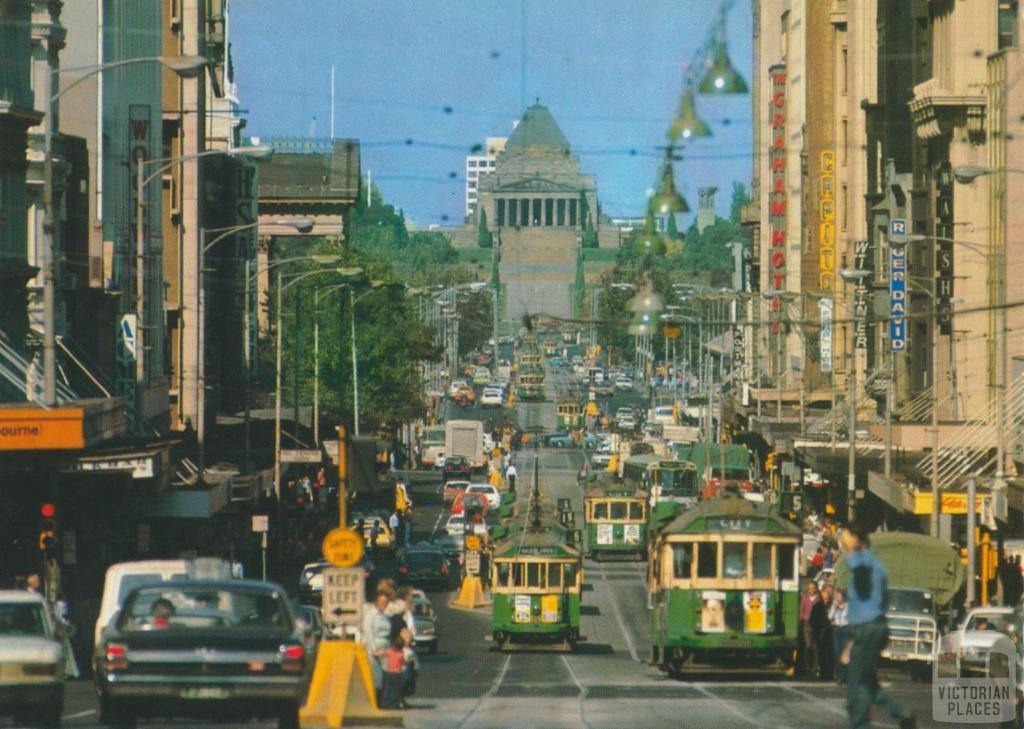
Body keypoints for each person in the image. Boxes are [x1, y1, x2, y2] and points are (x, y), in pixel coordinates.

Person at [840, 524, 916, 729]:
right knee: (867, 681)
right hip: (870, 628)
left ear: (859, 541)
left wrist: (851, 548)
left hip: (867, 628)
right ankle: (902, 713)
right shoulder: (876, 564)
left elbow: (856, 566)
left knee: (857, 686)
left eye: (846, 540)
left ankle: (861, 725)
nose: (843, 545)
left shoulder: (864, 561)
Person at [811, 584, 834, 680]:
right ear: (822, 592)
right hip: (820, 634)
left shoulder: (833, 606)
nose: (828, 594)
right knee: (821, 654)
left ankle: (830, 673)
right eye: (826, 592)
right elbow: (812, 620)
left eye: (830, 592)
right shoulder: (817, 606)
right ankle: (821, 673)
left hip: (832, 634)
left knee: (831, 654)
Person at [799, 581, 819, 676]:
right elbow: (801, 611)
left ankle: (815, 668)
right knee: (808, 646)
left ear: (816, 589)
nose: (811, 590)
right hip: (807, 624)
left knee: (815, 647)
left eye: (812, 588)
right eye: (809, 588)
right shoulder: (805, 599)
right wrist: (802, 619)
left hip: (816, 625)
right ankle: (807, 668)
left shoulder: (819, 600)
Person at [830, 588, 849, 685]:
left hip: (846, 630)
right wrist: (834, 607)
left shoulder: (849, 606)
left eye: (838, 596)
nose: (837, 598)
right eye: (836, 596)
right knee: (837, 653)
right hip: (837, 630)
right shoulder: (834, 605)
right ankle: (839, 676)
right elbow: (829, 617)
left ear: (843, 597)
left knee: (845, 654)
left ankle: (846, 676)